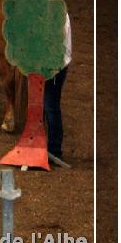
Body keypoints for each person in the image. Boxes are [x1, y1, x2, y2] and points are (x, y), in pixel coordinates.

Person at [45, 13, 71, 161]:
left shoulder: (57, 16)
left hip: (54, 66)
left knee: (50, 106)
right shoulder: (57, 13)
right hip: (55, 65)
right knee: (48, 106)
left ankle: (54, 149)